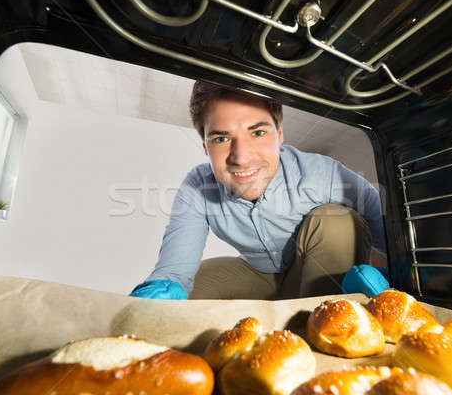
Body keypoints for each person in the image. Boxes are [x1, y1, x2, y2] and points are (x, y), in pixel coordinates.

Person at [130, 81, 389, 300]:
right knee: (186, 294)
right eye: (222, 138)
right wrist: (162, 291)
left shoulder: (321, 173)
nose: (241, 158)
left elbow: (388, 232)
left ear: (279, 134)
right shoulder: (197, 186)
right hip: (256, 274)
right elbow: (176, 267)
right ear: (206, 147)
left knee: (339, 220)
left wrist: (401, 278)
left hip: (319, 272)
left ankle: (321, 322)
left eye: (258, 132)